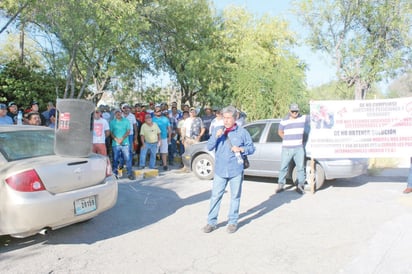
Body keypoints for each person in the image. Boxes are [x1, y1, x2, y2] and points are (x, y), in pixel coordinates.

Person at [203, 105, 255, 234]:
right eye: (224, 118)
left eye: (228, 118)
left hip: (235, 169)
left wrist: (242, 149)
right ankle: (211, 222)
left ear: (235, 118)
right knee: (215, 196)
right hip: (220, 169)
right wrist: (216, 137)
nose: (225, 120)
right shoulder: (217, 130)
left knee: (235, 196)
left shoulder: (242, 132)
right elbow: (209, 146)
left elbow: (252, 148)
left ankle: (232, 222)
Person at [276, 103, 310, 195]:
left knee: (300, 168)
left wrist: (312, 104)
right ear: (289, 111)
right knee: (283, 167)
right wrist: (286, 138)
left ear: (298, 111)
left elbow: (314, 116)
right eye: (293, 111)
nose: (295, 113)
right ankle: (280, 185)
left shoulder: (303, 118)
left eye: (296, 111)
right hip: (287, 148)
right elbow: (279, 132)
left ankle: (300, 186)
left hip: (299, 148)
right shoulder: (284, 121)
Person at [110, 109, 135, 180]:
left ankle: (129, 173)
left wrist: (122, 139)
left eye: (119, 112)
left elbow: (128, 131)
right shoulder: (112, 122)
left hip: (125, 143)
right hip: (115, 143)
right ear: (115, 114)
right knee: (115, 159)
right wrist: (116, 140)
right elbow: (111, 132)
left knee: (127, 158)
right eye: (116, 113)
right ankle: (115, 174)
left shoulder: (126, 121)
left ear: (121, 113)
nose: (118, 114)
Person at [152, 105, 171, 171]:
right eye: (157, 111)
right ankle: (153, 165)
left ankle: (165, 165)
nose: (158, 112)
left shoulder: (165, 119)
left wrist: (169, 137)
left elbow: (169, 129)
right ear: (154, 112)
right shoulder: (152, 119)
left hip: (164, 137)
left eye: (159, 111)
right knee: (154, 152)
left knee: (164, 152)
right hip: (155, 138)